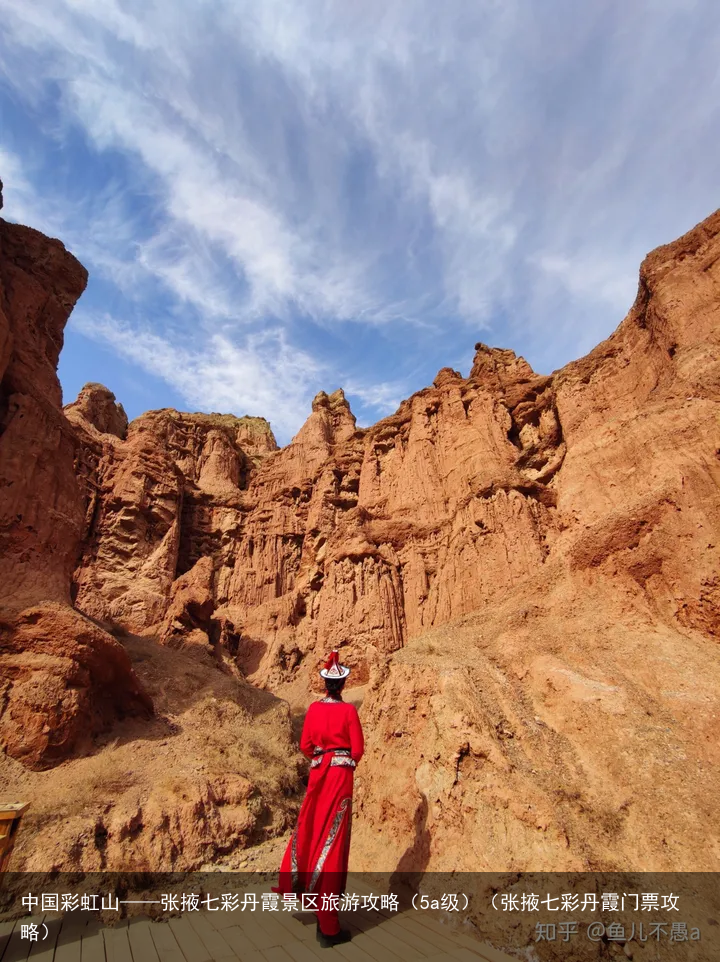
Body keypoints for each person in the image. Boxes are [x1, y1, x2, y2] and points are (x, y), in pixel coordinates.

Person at [272, 650, 364, 948]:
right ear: (344, 684)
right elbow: (357, 750)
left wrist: (321, 758)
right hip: (340, 777)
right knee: (334, 842)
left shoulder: (312, 709)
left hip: (318, 773)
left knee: (311, 830)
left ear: (326, 684)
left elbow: (305, 745)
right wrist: (342, 761)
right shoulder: (348, 712)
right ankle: (328, 925)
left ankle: (308, 893)